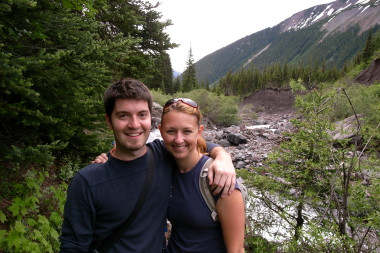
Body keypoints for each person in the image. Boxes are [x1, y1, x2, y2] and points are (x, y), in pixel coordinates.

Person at [59, 78, 236, 252]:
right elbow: (73, 246)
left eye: (142, 114)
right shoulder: (87, 181)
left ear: (151, 118)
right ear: (108, 120)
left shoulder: (163, 155)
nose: (134, 124)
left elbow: (190, 145)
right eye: (123, 115)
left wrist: (222, 155)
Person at [159, 98, 245, 252]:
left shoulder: (218, 179)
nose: (179, 140)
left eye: (187, 131)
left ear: (199, 132)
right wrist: (107, 159)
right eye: (171, 131)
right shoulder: (164, 165)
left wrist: (223, 155)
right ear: (161, 131)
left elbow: (236, 250)